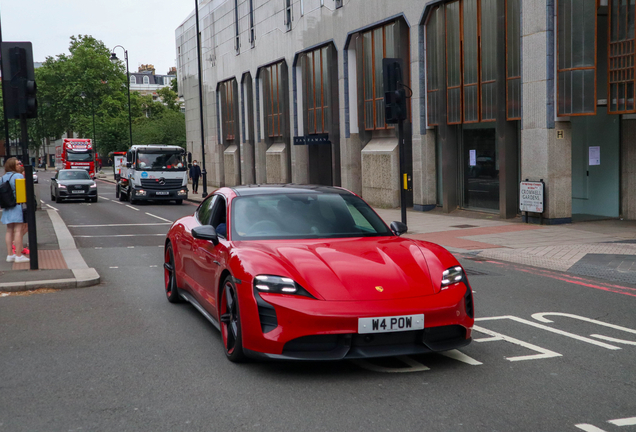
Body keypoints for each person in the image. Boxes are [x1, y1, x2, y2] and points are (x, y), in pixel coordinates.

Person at [1, 158, 29, 263]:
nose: (20, 165)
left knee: (9, 231)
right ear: (12, 165)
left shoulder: (3, 178)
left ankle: (10, 255)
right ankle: (18, 255)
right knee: (18, 230)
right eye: (17, 164)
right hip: (17, 206)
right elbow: (22, 193)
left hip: (7, 206)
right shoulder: (19, 176)